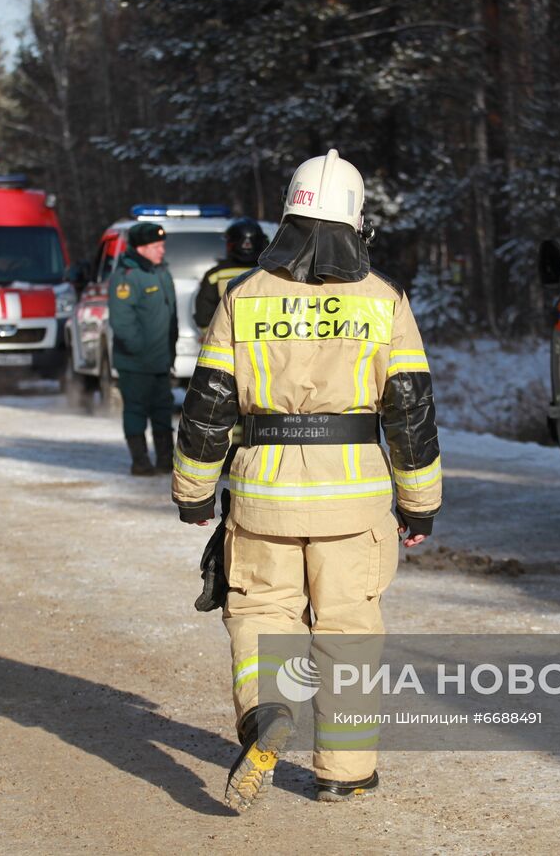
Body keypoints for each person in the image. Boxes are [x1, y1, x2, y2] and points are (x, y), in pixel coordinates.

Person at [171, 149, 443, 810]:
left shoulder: (244, 298)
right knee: (348, 628)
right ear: (356, 223)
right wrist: (420, 503)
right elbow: (408, 406)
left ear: (288, 214)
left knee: (263, 615)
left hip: (265, 495)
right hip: (354, 501)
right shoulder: (383, 301)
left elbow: (209, 401)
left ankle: (268, 713)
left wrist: (193, 490)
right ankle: (343, 772)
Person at [108, 221, 178, 476]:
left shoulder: (160, 272)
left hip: (161, 360)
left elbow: (170, 315)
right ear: (141, 248)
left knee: (163, 411)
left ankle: (164, 459)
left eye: (162, 245)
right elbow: (122, 322)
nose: (162, 250)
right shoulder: (127, 277)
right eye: (156, 246)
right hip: (136, 363)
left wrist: (170, 350)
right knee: (136, 411)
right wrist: (140, 351)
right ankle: (140, 461)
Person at [194, 217, 269, 330]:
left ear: (231, 244)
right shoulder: (271, 273)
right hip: (264, 343)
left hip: (225, 344)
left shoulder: (215, 276)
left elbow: (203, 316)